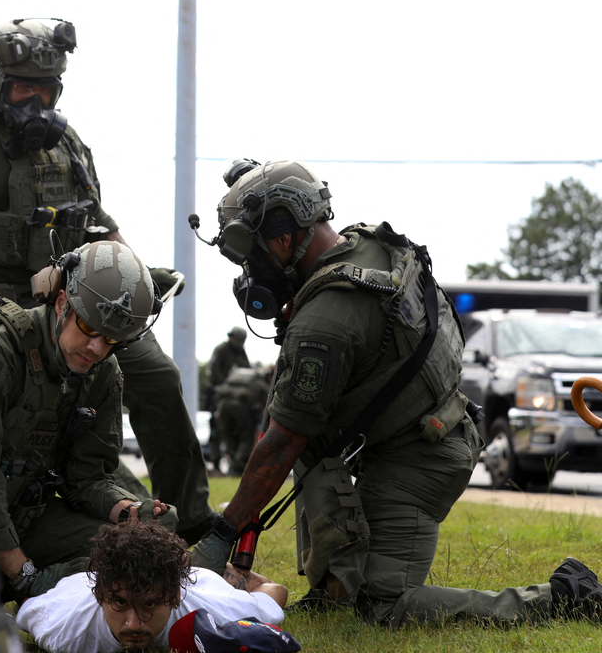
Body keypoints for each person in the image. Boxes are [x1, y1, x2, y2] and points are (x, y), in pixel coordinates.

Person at [190, 159, 602, 626]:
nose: (252, 269)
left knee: (384, 607)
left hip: (421, 459)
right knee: (308, 435)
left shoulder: (325, 320)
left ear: (285, 238)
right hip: (420, 433)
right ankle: (334, 587)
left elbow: (282, 440)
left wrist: (223, 533)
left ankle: (566, 594)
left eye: (253, 253)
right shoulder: (366, 247)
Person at [0, 17, 215, 544]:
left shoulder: (67, 145)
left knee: (156, 374)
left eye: (47, 90)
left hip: (75, 297)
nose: (35, 101)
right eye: (23, 88)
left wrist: (137, 278)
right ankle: (128, 531)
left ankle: (194, 526)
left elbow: (99, 224)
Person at [0, 240, 178, 603]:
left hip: (24, 518)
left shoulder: (102, 372)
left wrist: (127, 511)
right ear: (60, 304)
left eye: (112, 340)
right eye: (88, 327)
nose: (97, 349)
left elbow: (87, 477)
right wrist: (23, 573)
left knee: (141, 546)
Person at [15, 517, 295, 653]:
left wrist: (236, 576)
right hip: (75, 582)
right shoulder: (65, 631)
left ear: (175, 596)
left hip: (201, 579)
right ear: (100, 594)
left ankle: (220, 569)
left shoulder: (212, 612)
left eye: (149, 604)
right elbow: (24, 610)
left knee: (212, 574)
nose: (134, 624)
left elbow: (275, 592)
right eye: (121, 603)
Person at [203, 327, 251, 469]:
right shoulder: (221, 350)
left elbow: (247, 370)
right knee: (217, 429)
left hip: (236, 397)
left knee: (236, 431)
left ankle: (235, 464)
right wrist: (227, 386)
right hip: (219, 394)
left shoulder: (241, 352)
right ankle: (216, 461)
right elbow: (214, 371)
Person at [212, 364, 272, 475]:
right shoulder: (258, 380)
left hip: (222, 405)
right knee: (246, 438)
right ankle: (237, 467)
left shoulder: (235, 376)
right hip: (239, 406)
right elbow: (269, 400)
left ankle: (232, 465)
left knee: (228, 437)